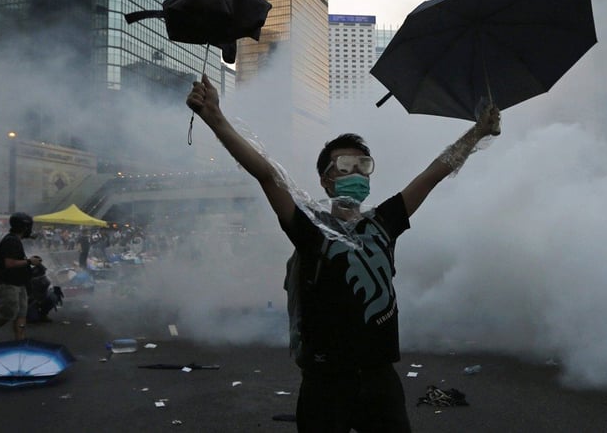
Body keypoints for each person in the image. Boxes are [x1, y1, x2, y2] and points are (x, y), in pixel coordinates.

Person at [187, 74, 500, 432]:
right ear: (325, 179)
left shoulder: (382, 224)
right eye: (345, 166)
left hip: (380, 378)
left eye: (363, 166)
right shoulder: (311, 230)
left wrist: (477, 133)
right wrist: (216, 120)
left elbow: (434, 173)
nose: (356, 173)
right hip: (325, 382)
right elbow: (268, 175)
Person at [0, 212, 40, 346]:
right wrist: (29, 262)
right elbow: (9, 263)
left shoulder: (15, 240)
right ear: (24, 227)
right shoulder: (11, 241)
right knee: (8, 313)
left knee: (21, 313)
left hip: (19, 283)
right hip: (8, 283)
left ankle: (20, 342)